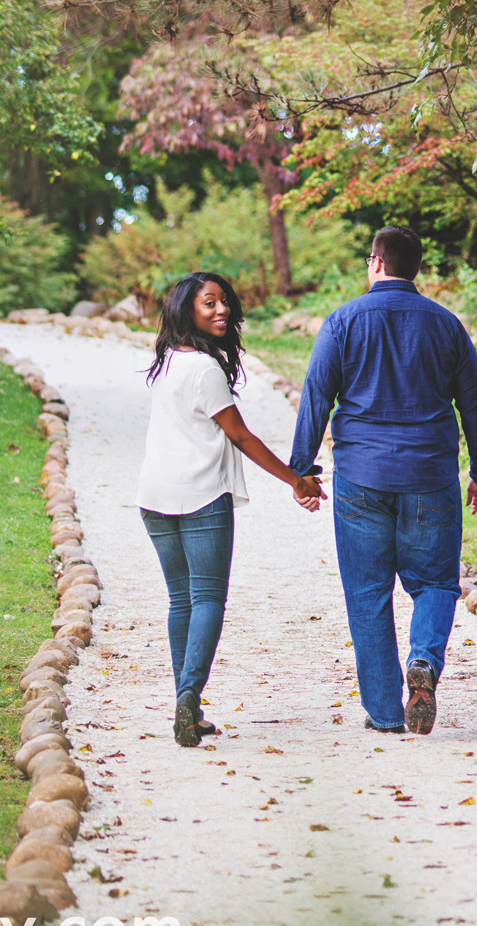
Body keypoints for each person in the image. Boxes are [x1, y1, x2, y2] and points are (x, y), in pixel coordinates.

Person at [288, 227, 477, 736]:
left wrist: (302, 469)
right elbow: (473, 401)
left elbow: (317, 395)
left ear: (376, 262)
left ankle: (384, 713)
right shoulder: (447, 325)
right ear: (415, 268)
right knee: (435, 584)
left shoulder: (342, 322)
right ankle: (423, 661)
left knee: (367, 592)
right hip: (430, 476)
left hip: (361, 478)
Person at [137, 272, 326, 747]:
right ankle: (187, 697)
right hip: (201, 498)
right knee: (206, 601)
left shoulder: (165, 362)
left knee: (182, 601)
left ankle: (189, 704)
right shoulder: (204, 368)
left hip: (154, 497)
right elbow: (240, 436)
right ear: (187, 310)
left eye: (224, 302)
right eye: (209, 303)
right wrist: (296, 479)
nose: (221, 310)